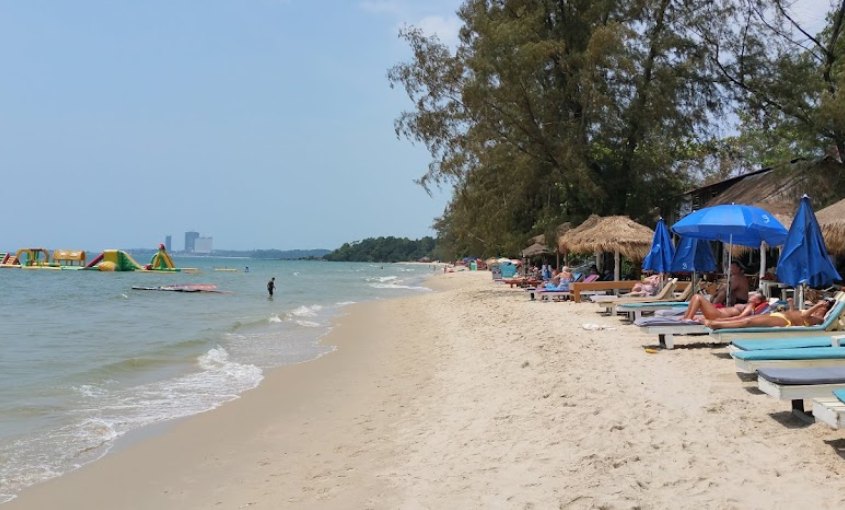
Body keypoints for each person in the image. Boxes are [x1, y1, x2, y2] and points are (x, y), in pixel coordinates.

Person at [706, 299, 835, 329]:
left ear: (826, 309)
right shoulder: (815, 312)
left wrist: (817, 306)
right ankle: (719, 321)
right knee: (748, 318)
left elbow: (803, 317)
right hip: (780, 315)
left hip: (784, 322)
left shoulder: (820, 318)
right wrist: (791, 305)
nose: (819, 309)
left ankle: (718, 325)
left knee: (748, 322)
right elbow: (796, 313)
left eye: (823, 307)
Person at [682, 292, 766, 321]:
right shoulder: (748, 305)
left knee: (698, 297)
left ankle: (688, 318)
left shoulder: (750, 306)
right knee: (695, 297)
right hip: (718, 313)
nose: (751, 295)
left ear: (757, 301)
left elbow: (741, 317)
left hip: (718, 315)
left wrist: (723, 320)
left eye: (754, 296)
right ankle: (686, 317)